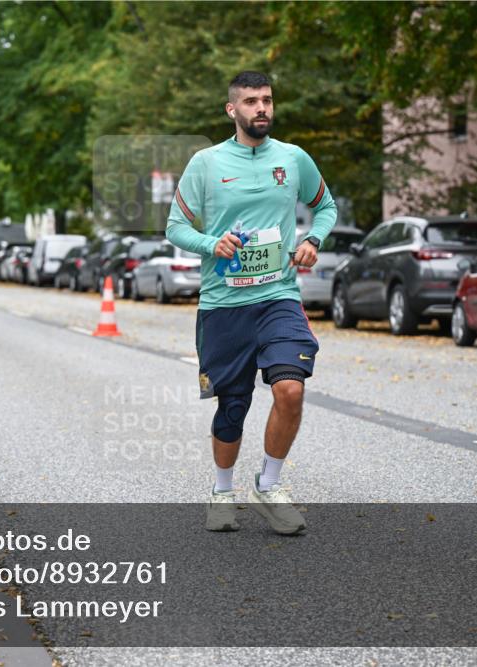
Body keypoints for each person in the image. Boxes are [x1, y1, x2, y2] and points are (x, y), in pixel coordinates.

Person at [166, 71, 337, 535]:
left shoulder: (293, 158)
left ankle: (269, 483)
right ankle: (222, 491)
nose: (261, 108)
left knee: (291, 388)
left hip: (278, 295)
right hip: (224, 305)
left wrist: (313, 239)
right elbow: (175, 226)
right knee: (232, 407)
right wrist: (210, 244)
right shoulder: (205, 163)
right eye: (250, 102)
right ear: (232, 110)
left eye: (266, 100)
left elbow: (326, 207)